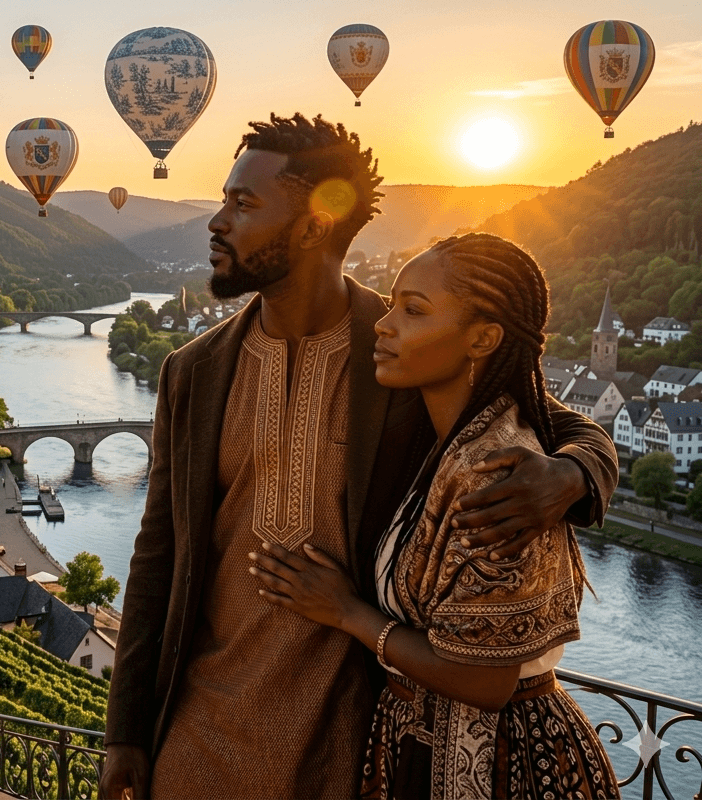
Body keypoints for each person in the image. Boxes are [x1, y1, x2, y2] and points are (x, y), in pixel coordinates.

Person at [100, 115, 617, 800]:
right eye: (224, 199)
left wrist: (572, 473)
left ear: (314, 224)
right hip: (200, 731)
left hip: (351, 738)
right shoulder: (190, 370)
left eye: (242, 203)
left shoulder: (403, 349)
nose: (216, 221)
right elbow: (156, 556)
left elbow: (549, 415)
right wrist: (124, 732)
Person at [248, 233, 618, 798]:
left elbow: (484, 681)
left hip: (495, 766)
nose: (385, 323)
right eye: (393, 303)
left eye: (413, 310)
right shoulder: (446, 427)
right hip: (426, 745)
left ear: (483, 339)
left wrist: (345, 612)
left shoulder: (494, 473)